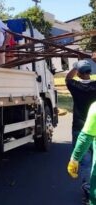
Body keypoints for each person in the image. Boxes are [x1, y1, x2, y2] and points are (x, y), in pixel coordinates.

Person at [66, 59, 96, 201]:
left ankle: (88, 187)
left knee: (85, 161)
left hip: (80, 129)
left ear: (78, 73)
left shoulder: (75, 86)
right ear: (90, 72)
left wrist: (74, 65)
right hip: (94, 129)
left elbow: (68, 78)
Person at [67, 101, 96, 205]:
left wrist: (74, 159)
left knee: (86, 162)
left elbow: (85, 138)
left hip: (81, 126)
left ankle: (87, 188)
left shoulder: (95, 107)